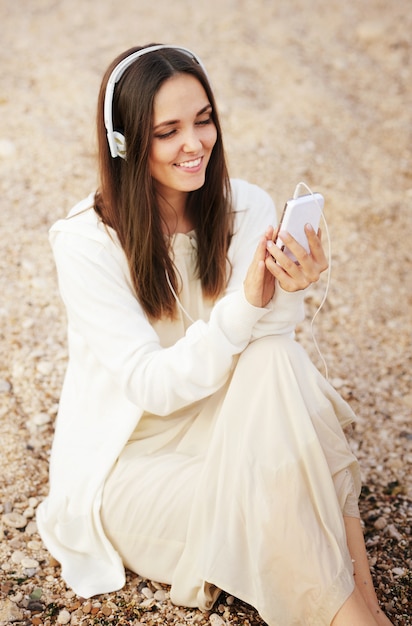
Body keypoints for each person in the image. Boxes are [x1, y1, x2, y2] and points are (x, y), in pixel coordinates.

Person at [37, 44, 393, 626]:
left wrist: (292, 289)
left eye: (203, 120)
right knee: (280, 498)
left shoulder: (241, 206)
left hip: (230, 427)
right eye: (167, 131)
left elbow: (267, 338)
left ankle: (359, 599)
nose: (195, 143)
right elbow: (151, 385)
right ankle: (356, 612)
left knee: (277, 358)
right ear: (124, 143)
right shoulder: (85, 242)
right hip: (132, 467)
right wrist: (245, 304)